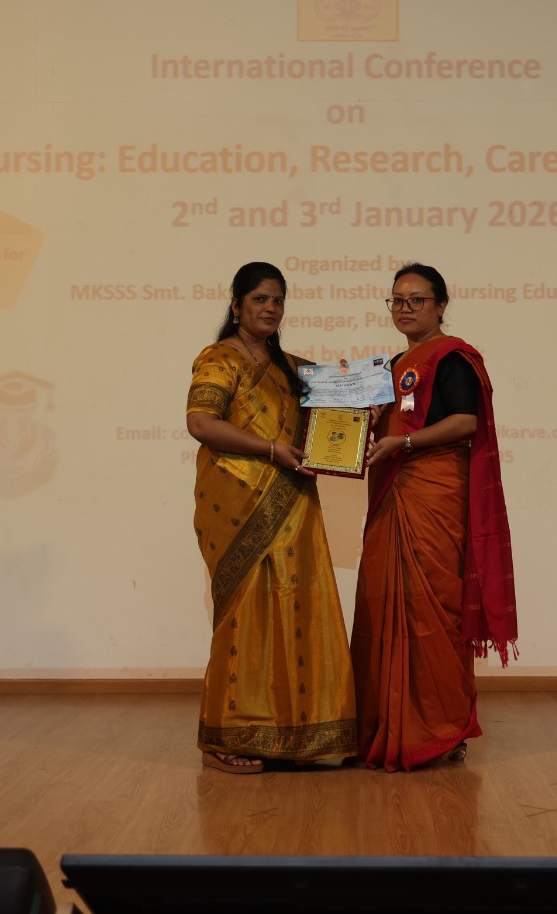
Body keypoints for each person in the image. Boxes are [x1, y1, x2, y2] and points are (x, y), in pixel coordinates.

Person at [185, 262, 357, 773]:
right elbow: (201, 422)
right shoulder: (219, 358)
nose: (270, 308)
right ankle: (226, 738)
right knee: (245, 616)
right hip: (237, 504)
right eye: (259, 299)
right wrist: (269, 449)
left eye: (277, 300)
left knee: (298, 603)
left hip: (294, 502)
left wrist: (354, 388)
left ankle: (297, 736)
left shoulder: (292, 368)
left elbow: (338, 410)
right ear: (236, 305)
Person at [351, 263, 517, 771]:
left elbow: (465, 421)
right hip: (393, 493)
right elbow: (388, 422)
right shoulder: (392, 365)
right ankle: (387, 726)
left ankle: (440, 730)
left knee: (435, 611)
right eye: (397, 300)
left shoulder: (451, 358)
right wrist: (361, 414)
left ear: (441, 305)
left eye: (417, 300)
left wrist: (403, 442)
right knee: (386, 604)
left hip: (434, 494)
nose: (405, 308)